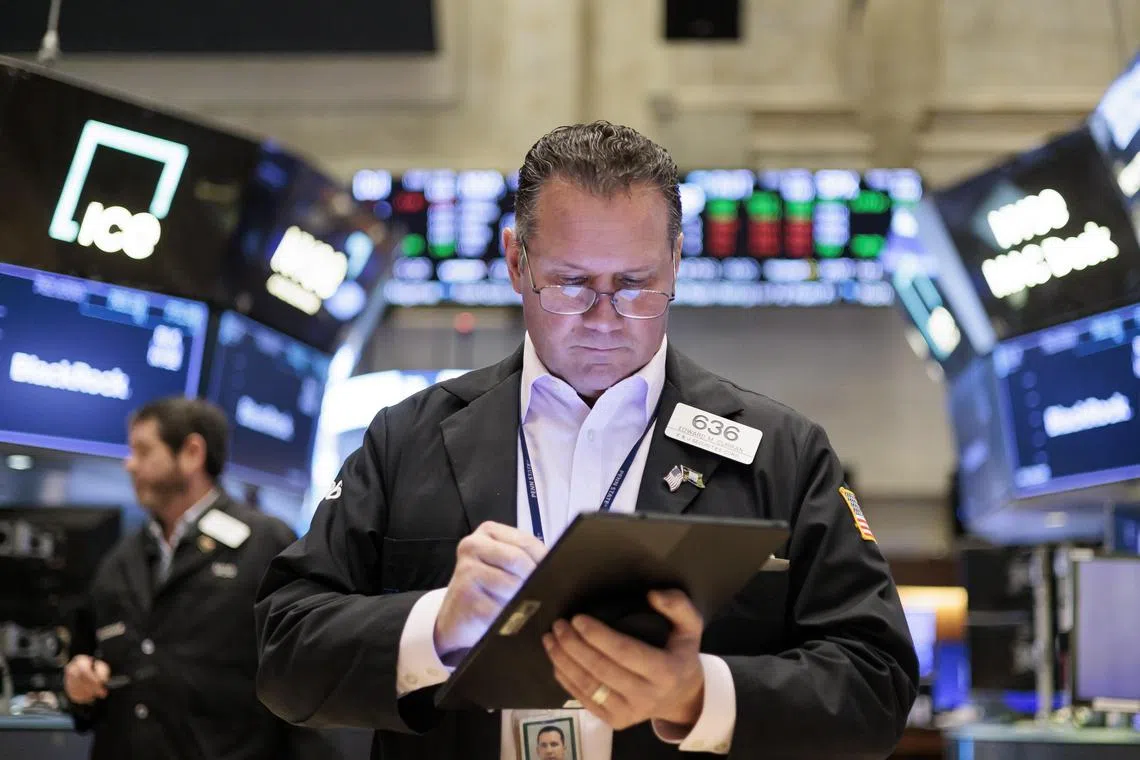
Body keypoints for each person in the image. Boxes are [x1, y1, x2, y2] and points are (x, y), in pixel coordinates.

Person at [254, 121, 919, 759]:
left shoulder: (780, 452)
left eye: (634, 285)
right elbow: (285, 653)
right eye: (572, 284)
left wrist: (698, 694)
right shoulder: (408, 439)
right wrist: (434, 626)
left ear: (676, 263)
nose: (605, 319)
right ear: (517, 261)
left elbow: (876, 684)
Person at [63, 397, 339, 760]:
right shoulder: (120, 558)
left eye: (144, 450)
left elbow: (307, 679)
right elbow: (84, 662)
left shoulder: (266, 543)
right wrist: (78, 686)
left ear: (192, 452)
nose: (129, 464)